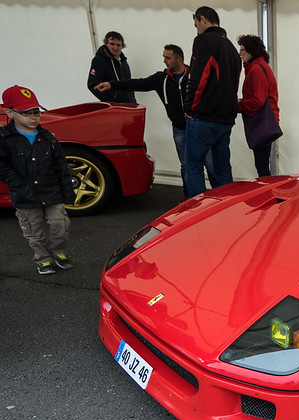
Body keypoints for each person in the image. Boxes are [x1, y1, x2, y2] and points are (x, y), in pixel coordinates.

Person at [94, 44, 215, 193]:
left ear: (179, 59)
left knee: (211, 164)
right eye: (164, 57)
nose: (164, 61)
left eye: (168, 57)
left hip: (201, 127)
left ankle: (220, 199)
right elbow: (139, 83)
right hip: (179, 129)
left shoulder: (196, 75)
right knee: (186, 165)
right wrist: (111, 85)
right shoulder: (161, 78)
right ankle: (190, 199)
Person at [0, 86, 77, 275]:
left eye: (36, 113)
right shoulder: (4, 139)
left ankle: (58, 252)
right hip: (24, 194)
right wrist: (16, 182)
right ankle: (42, 258)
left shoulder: (48, 138)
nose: (33, 118)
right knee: (34, 230)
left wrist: (68, 192)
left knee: (60, 225)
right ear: (9, 112)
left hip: (52, 191)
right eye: (26, 113)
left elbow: (61, 167)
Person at [183, 6, 241, 197]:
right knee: (222, 167)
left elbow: (198, 79)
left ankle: (196, 215)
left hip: (205, 117)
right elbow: (234, 83)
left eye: (195, 24)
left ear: (202, 19)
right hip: (226, 118)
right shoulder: (232, 48)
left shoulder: (203, 41)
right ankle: (224, 210)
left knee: (193, 167)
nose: (196, 29)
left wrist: (189, 107)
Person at [237, 34, 280, 176]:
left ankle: (268, 194)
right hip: (265, 121)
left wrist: (239, 105)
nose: (240, 53)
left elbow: (258, 100)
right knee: (262, 164)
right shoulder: (258, 67)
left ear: (251, 50)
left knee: (261, 166)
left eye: (242, 49)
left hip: (262, 123)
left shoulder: (257, 69)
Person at [87, 31, 136, 103]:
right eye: (112, 44)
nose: (115, 47)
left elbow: (128, 82)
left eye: (118, 45)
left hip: (129, 104)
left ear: (122, 46)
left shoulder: (123, 60)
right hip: (114, 106)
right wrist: (110, 101)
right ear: (106, 44)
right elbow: (93, 85)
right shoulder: (99, 60)